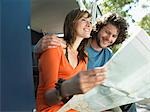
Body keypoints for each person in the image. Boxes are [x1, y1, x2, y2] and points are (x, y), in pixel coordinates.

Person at [34, 12, 137, 112]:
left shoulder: (93, 56)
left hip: (88, 97)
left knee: (128, 101)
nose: (109, 38)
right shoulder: (67, 46)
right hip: (67, 99)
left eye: (114, 36)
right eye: (107, 32)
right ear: (99, 28)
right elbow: (64, 42)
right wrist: (37, 48)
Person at [36, 8, 107, 112]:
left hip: (72, 107)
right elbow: (48, 99)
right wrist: (65, 89)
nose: (89, 24)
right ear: (72, 23)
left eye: (90, 22)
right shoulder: (54, 47)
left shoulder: (84, 57)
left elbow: (79, 95)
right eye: (84, 20)